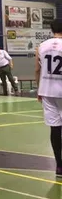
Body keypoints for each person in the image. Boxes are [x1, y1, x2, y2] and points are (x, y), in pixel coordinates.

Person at [34, 18, 62, 178]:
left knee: (55, 128)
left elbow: (37, 70)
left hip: (47, 91)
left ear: (51, 29)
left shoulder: (41, 46)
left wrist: (39, 88)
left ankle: (59, 165)